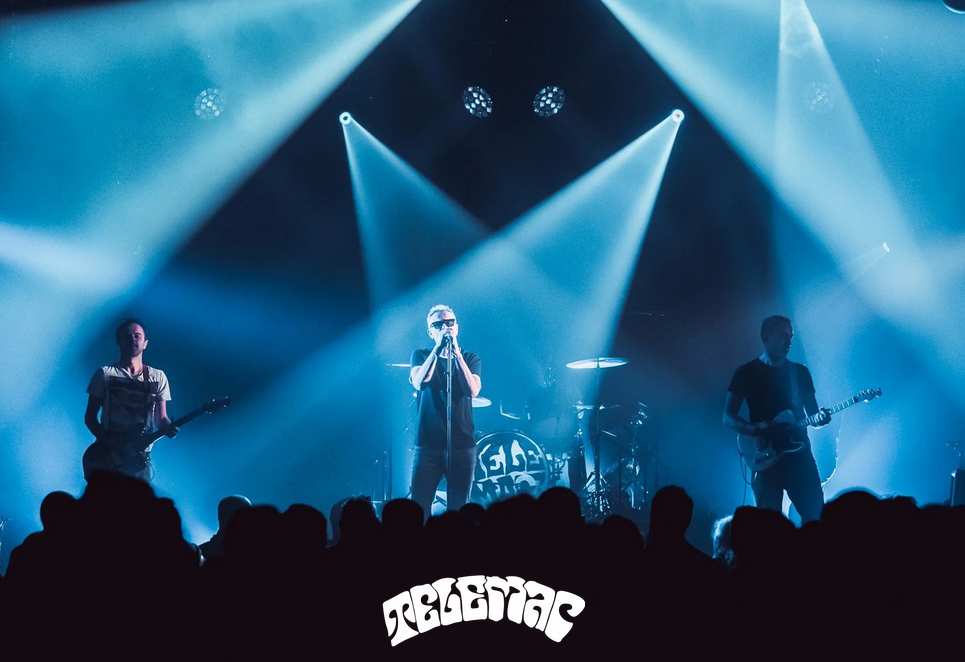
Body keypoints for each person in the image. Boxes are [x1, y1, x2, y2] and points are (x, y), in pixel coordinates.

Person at [723, 315, 831, 523]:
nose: (788, 341)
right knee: (769, 527)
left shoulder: (800, 372)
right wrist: (755, 429)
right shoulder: (746, 372)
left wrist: (820, 419)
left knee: (817, 518)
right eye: (782, 336)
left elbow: (813, 414)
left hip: (799, 457)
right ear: (766, 338)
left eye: (790, 336)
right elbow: (727, 417)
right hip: (765, 458)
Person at [83, 318, 178, 482]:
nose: (133, 339)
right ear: (119, 342)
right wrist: (108, 442)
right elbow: (90, 417)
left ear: (145, 343)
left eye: (137, 336)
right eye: (127, 336)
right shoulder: (104, 374)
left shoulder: (158, 377)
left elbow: (161, 418)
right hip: (108, 457)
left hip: (139, 459)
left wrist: (169, 428)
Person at [408, 305, 482, 517]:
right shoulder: (420, 355)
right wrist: (437, 350)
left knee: (460, 510)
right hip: (428, 445)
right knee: (419, 508)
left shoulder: (470, 358)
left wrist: (456, 354)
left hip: (462, 444)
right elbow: (420, 382)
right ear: (430, 331)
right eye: (438, 324)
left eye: (450, 323)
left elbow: (472, 390)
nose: (445, 327)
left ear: (456, 327)